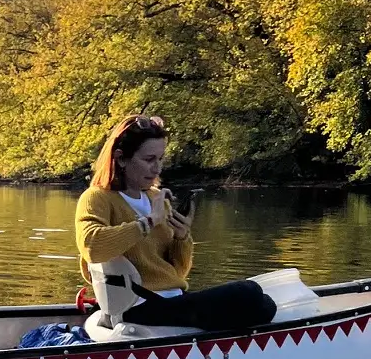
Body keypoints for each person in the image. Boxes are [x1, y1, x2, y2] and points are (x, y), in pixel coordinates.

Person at [74, 115, 276, 331]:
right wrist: (149, 222)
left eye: (161, 159)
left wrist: (182, 237)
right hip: (139, 307)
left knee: (264, 303)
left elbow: (177, 273)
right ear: (121, 159)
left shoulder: (156, 197)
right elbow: (92, 248)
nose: (157, 168)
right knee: (250, 293)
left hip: (171, 301)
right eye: (149, 160)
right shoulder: (97, 197)